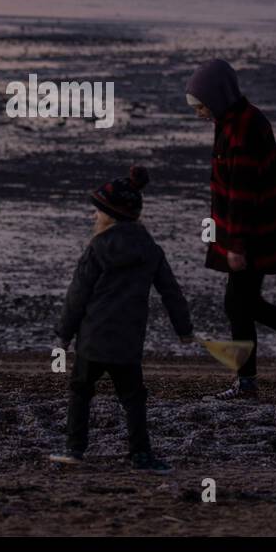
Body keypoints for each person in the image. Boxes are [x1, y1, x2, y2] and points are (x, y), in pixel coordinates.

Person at [186, 58, 276, 400]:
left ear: (217, 97)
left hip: (252, 237)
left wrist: (236, 246)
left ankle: (248, 382)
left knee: (238, 305)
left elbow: (242, 194)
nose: (197, 112)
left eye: (199, 105)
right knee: (244, 304)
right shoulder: (235, 120)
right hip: (255, 233)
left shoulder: (242, 129)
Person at [52, 165, 194, 471]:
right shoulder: (151, 249)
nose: (94, 217)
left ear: (110, 215)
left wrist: (63, 334)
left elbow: (77, 294)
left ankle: (75, 449)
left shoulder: (98, 248)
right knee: (133, 398)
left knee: (80, 391)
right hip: (128, 342)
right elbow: (171, 292)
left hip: (92, 340)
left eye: (97, 212)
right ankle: (141, 454)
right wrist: (184, 330)